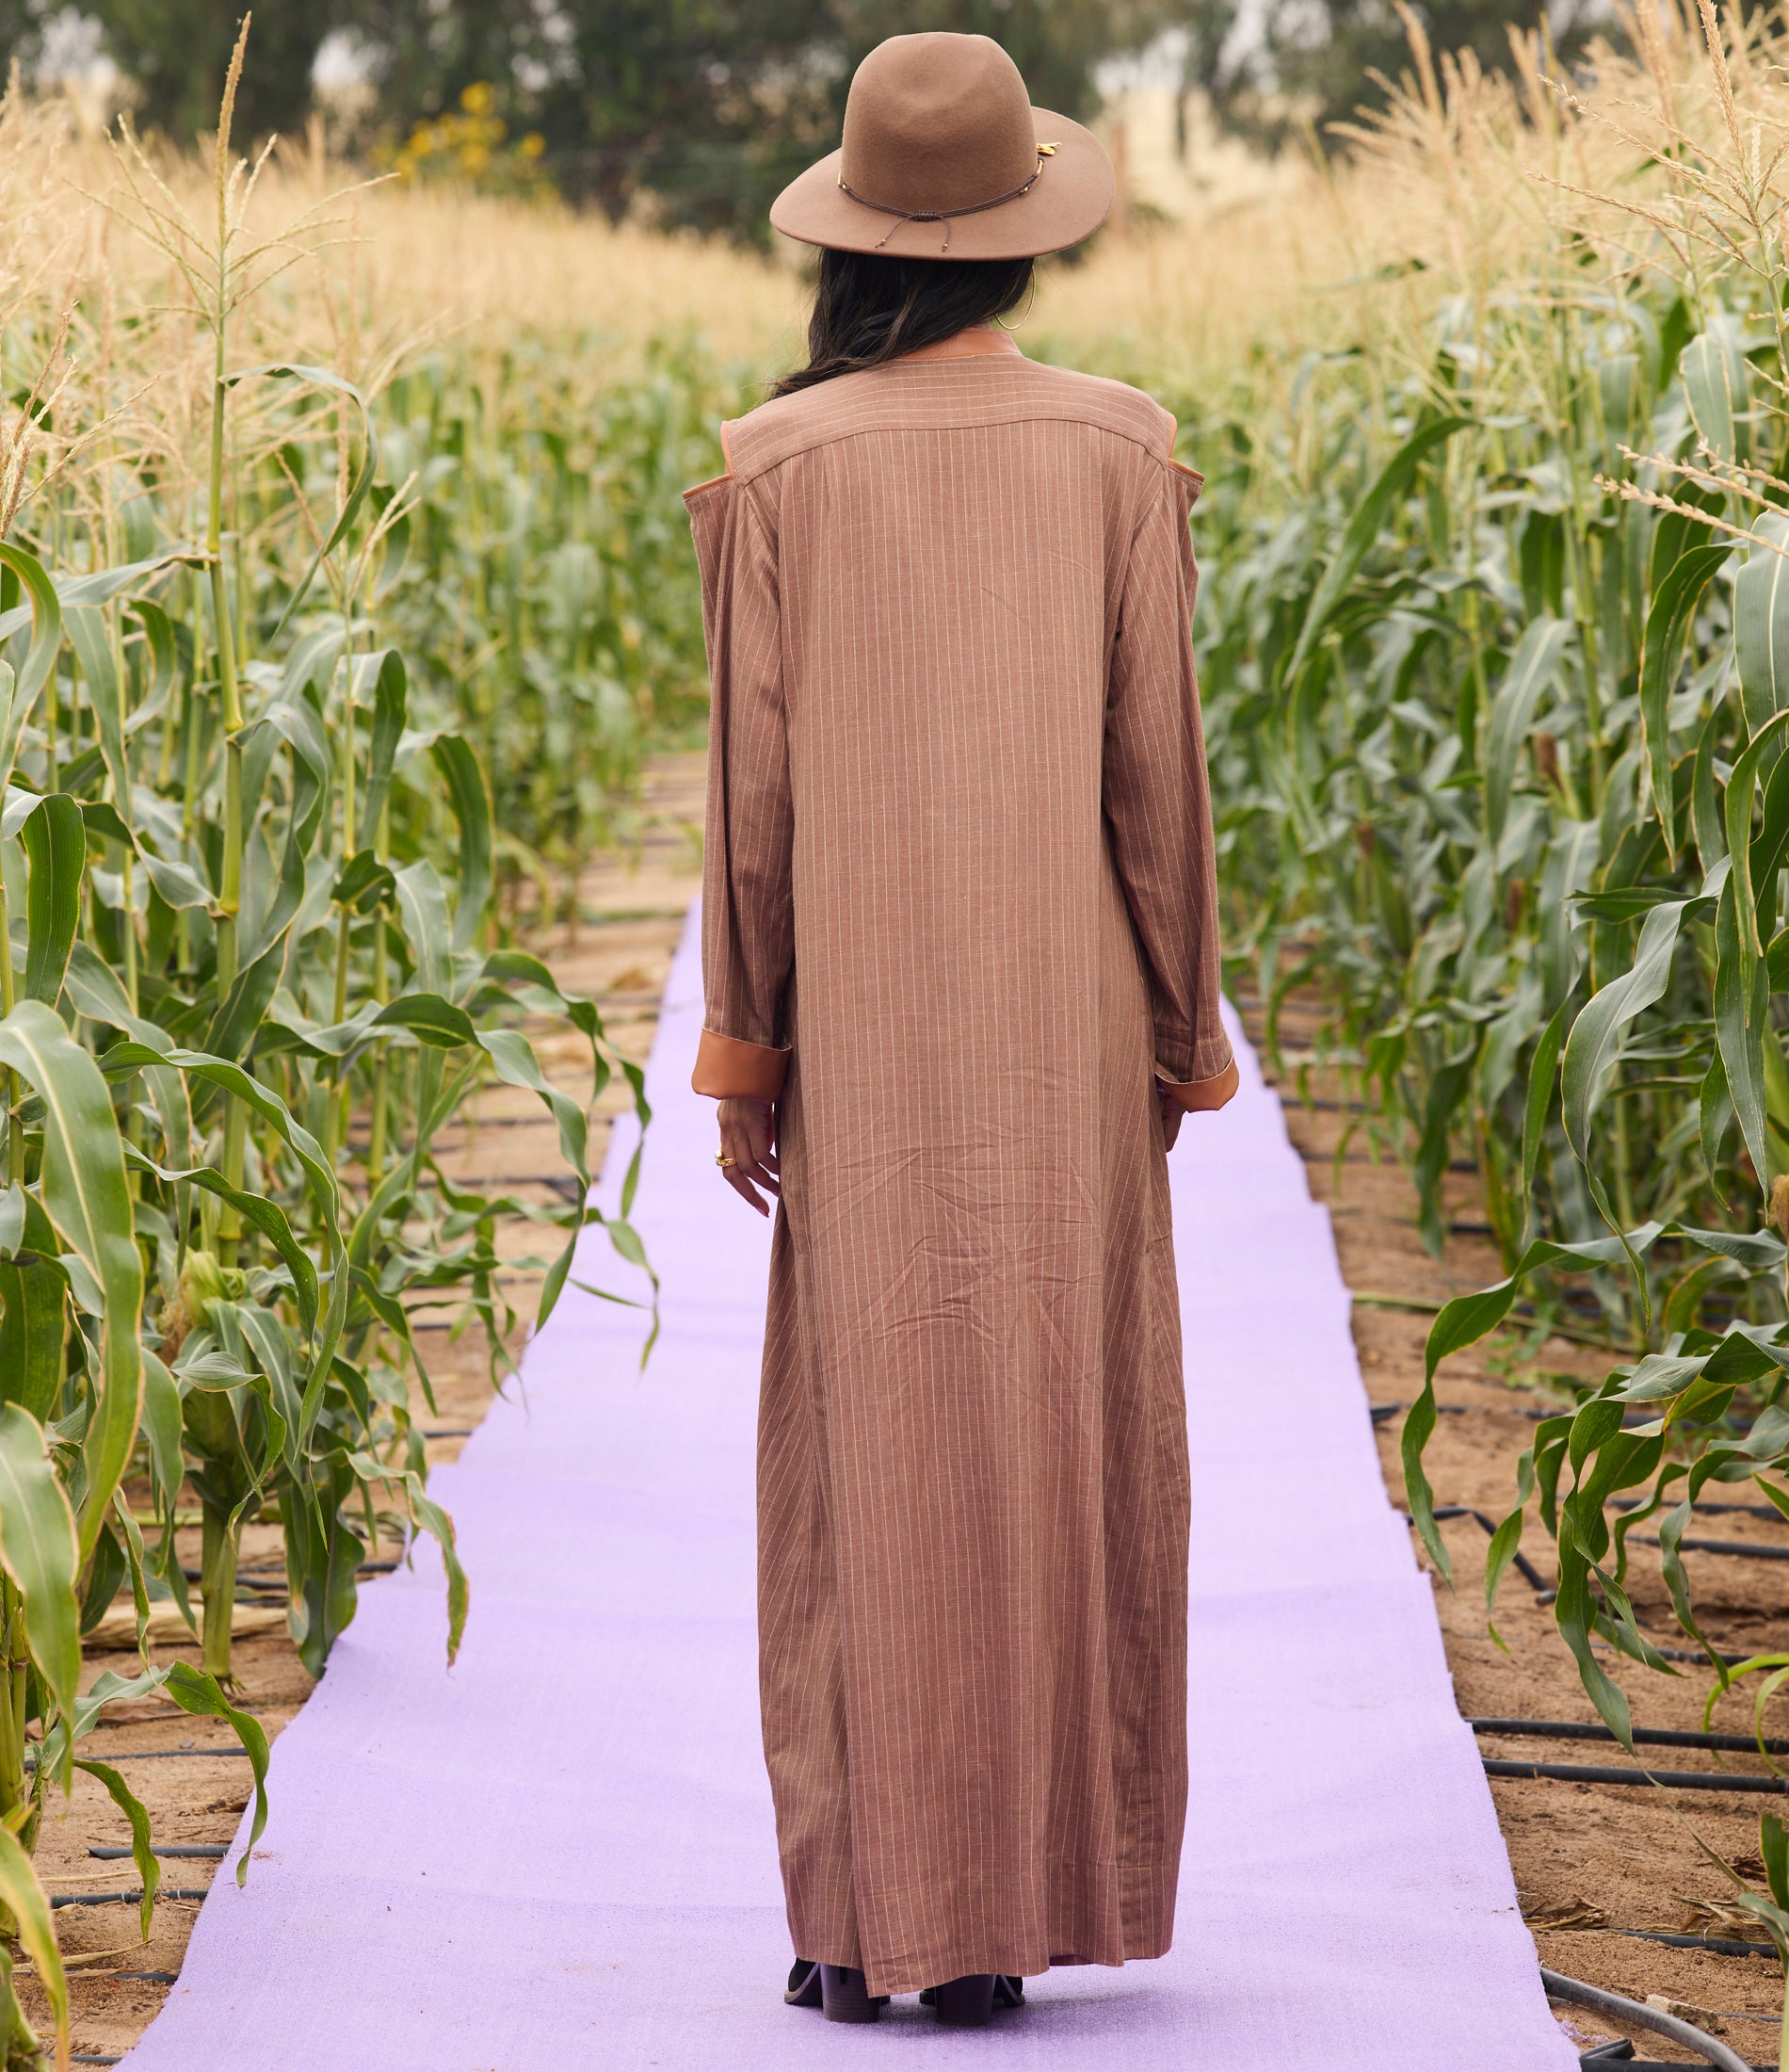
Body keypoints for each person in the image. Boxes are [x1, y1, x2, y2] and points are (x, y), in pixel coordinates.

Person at [682, 28, 1237, 2032]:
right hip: (1063, 1030)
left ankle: (860, 1919)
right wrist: (1178, 1032)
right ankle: (1016, 1910)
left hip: (868, 1028)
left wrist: (748, 1051)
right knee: (1065, 1433)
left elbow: (751, 808)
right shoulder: (1120, 448)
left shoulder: (775, 466)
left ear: (847, 240)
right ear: (1023, 237)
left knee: (868, 1451)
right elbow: (1157, 784)